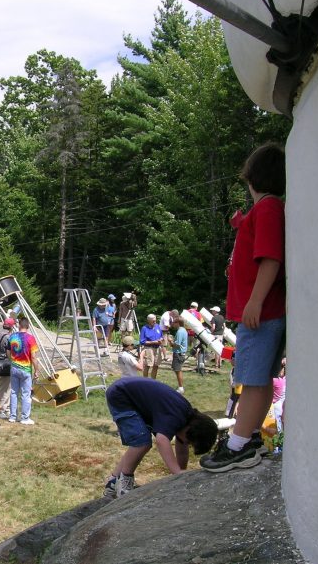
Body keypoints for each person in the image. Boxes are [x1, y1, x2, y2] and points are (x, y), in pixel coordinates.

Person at [201, 143, 286, 473]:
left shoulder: (266, 209)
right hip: (265, 311)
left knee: (250, 381)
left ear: (251, 176)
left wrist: (255, 300)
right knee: (260, 380)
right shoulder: (269, 208)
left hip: (260, 315)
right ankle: (247, 439)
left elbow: (270, 258)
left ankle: (237, 446)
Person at [103, 377, 218, 498]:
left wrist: (180, 473)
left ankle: (113, 482)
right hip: (122, 395)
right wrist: (176, 471)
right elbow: (161, 441)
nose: (186, 444)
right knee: (141, 443)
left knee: (138, 445)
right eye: (189, 442)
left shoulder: (185, 417)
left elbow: (182, 448)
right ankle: (125, 483)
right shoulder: (175, 416)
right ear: (191, 430)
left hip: (130, 395)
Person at [8, 317, 41, 425]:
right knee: (26, 394)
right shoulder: (31, 338)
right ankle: (24, 418)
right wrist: (37, 370)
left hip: (14, 368)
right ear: (28, 326)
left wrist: (12, 360)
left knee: (13, 392)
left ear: (19, 325)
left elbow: (8, 352)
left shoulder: (12, 336)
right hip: (26, 370)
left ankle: (12, 416)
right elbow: (33, 357)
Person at [0, 317, 15, 418]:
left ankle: (6, 408)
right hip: (5, 364)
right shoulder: (9, 337)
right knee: (5, 388)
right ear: (11, 327)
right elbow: (9, 352)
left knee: (6, 387)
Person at [138, 314, 163, 379]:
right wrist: (153, 342)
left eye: (155, 321)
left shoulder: (157, 326)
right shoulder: (144, 328)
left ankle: (153, 380)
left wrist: (161, 339)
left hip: (157, 348)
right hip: (149, 349)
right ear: (148, 321)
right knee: (147, 365)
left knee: (156, 365)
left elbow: (161, 336)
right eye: (153, 321)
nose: (155, 322)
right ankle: (145, 380)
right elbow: (142, 341)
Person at [169, 317, 188, 393]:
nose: (173, 324)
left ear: (178, 323)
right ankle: (180, 387)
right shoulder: (183, 330)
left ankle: (180, 388)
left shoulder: (180, 332)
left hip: (178, 353)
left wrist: (170, 341)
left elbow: (177, 344)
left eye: (174, 322)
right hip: (181, 353)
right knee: (178, 370)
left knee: (178, 370)